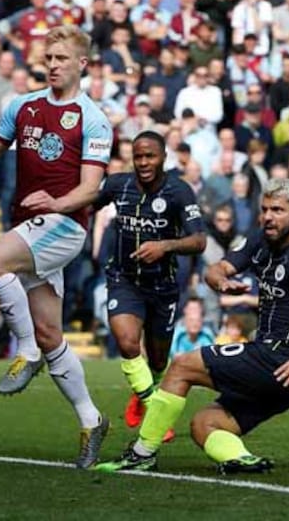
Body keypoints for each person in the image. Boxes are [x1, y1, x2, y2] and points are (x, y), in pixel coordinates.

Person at [0, 25, 112, 468]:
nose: (52, 65)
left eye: (61, 58)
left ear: (81, 65)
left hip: (65, 224)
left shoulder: (92, 118)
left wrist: (56, 202)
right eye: (48, 57)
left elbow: (91, 189)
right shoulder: (23, 106)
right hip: (31, 226)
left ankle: (25, 350)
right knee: (54, 334)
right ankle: (92, 420)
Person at [95, 179, 289, 474]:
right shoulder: (261, 239)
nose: (268, 216)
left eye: (277, 210)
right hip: (280, 377)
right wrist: (220, 280)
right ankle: (241, 458)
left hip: (278, 361)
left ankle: (141, 453)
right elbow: (215, 268)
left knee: (182, 366)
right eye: (264, 209)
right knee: (205, 424)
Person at [96, 131, 206, 433]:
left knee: (158, 361)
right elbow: (85, 205)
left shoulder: (179, 191)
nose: (143, 162)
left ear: (163, 159)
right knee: (128, 342)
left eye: (150, 156)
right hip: (124, 279)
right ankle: (151, 405)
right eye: (138, 156)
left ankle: (142, 391)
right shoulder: (119, 185)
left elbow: (199, 241)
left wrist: (165, 246)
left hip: (163, 285)